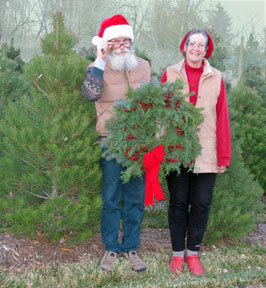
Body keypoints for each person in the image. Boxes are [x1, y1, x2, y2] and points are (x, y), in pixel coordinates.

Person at [82, 14, 151, 272]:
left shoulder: (143, 65)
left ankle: (131, 247)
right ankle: (111, 247)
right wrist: (100, 59)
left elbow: (152, 101)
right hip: (110, 142)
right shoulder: (96, 68)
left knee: (135, 197)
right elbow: (90, 94)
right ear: (106, 44)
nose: (121, 45)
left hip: (139, 143)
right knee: (111, 198)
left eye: (126, 40)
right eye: (115, 41)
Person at [161, 29, 231, 276]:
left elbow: (222, 118)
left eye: (201, 45)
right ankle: (177, 255)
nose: (196, 48)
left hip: (207, 152)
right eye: (192, 43)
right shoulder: (170, 74)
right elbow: (159, 114)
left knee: (201, 204)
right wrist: (157, 149)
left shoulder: (217, 77)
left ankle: (193, 253)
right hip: (176, 152)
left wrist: (224, 155)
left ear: (206, 50)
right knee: (179, 203)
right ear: (185, 46)